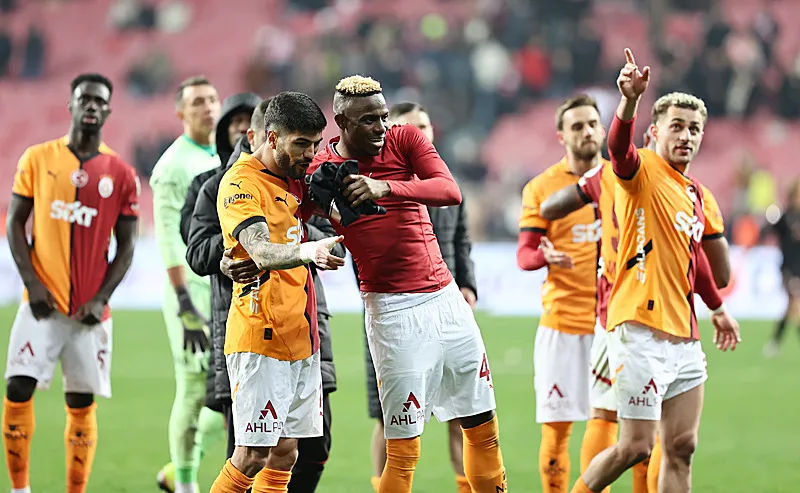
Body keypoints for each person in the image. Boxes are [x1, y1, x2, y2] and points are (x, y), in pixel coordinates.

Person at [310, 75, 506, 493]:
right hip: (392, 312)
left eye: (383, 116)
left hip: (447, 301)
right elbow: (297, 214)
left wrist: (385, 186)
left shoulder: (405, 139)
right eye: (368, 120)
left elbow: (449, 190)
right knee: (403, 449)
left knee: (482, 426)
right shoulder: (321, 170)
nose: (381, 127)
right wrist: (319, 241)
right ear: (341, 123)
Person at [571, 48, 741, 493]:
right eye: (677, 126)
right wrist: (629, 100)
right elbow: (618, 149)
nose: (686, 135)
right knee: (636, 446)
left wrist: (718, 308)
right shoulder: (642, 169)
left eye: (694, 129)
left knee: (682, 445)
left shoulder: (696, 195)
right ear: (655, 132)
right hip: (639, 328)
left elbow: (697, 264)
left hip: (684, 334)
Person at [190, 97, 344, 492]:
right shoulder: (240, 182)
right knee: (252, 454)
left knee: (286, 452)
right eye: (301, 144)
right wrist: (308, 250)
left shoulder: (296, 177)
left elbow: (333, 218)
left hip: (301, 337)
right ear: (271, 138)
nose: (309, 153)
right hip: (261, 336)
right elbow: (259, 250)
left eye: (315, 143)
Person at [2, 73, 139, 493]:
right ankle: (20, 489)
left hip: (88, 312)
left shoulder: (121, 173)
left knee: (80, 401)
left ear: (108, 110)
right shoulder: (37, 158)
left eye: (99, 100)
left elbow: (127, 247)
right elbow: (15, 224)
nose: (91, 105)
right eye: (84, 99)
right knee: (17, 387)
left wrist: (101, 299)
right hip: (40, 304)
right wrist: (32, 283)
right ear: (72, 105)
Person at [354, 101, 479, 493]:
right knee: (388, 417)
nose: (419, 134)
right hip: (392, 312)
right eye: (410, 128)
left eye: (424, 126)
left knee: (462, 413)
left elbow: (461, 241)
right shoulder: (371, 183)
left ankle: (465, 487)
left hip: (445, 307)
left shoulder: (442, 181)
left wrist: (468, 286)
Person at [516, 94, 611, 493]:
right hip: (562, 324)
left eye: (592, 124)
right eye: (576, 126)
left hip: (613, 324)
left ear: (603, 129)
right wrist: (545, 256)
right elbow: (524, 254)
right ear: (561, 136)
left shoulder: (622, 179)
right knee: (557, 432)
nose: (586, 131)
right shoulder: (542, 187)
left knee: (612, 426)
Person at [150, 75, 226, 493]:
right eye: (197, 101)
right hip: (190, 295)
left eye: (212, 99)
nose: (208, 107)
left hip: (221, 291)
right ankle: (184, 483)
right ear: (180, 111)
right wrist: (184, 303)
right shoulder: (171, 167)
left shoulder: (225, 155)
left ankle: (179, 467)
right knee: (195, 390)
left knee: (232, 392)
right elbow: (167, 239)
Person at [761, 180, 800, 357]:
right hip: (788, 269)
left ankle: (775, 342)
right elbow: (767, 231)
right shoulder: (785, 217)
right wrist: (770, 216)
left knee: (790, 307)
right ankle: (775, 342)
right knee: (795, 303)